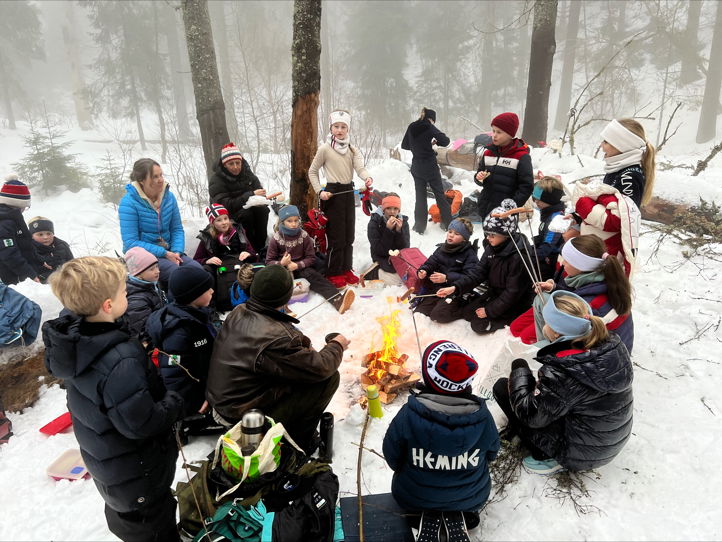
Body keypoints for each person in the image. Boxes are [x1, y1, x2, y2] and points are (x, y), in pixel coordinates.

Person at [43, 257, 183, 542]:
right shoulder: (119, 359)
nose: (127, 295)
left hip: (112, 469)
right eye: (124, 292)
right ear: (108, 305)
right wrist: (173, 403)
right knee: (155, 526)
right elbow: (140, 423)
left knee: (131, 520)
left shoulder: (76, 343)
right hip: (139, 471)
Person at [206, 264, 349, 453]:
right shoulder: (277, 339)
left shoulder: (239, 310)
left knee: (301, 372)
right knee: (328, 378)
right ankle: (297, 441)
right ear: (286, 296)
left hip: (224, 402)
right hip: (242, 417)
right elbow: (321, 367)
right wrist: (337, 344)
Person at [493, 290, 633, 475]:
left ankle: (548, 457)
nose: (543, 326)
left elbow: (532, 416)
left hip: (578, 453)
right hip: (605, 442)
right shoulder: (609, 344)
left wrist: (520, 371)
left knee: (503, 388)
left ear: (556, 332)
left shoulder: (564, 371)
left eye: (547, 322)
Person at [383, 340, 499, 541]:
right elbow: (491, 454)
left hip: (414, 496)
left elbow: (392, 456)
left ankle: (418, 512)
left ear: (428, 379)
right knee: (468, 492)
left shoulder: (408, 415)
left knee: (410, 489)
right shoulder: (483, 418)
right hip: (471, 496)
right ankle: (465, 510)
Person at [510, 234, 634, 352]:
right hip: (587, 332)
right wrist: (554, 288)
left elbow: (578, 342)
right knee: (517, 328)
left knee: (527, 339)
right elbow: (579, 294)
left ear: (581, 265)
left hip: (597, 355)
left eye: (567, 260)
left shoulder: (591, 306)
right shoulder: (601, 277)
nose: (563, 263)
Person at [437, 199, 535, 335]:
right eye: (487, 234)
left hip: (516, 301)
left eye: (492, 235)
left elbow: (513, 293)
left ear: (506, 235)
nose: (488, 238)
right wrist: (456, 287)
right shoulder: (493, 247)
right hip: (496, 293)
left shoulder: (519, 256)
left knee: (478, 325)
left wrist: (489, 310)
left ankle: (506, 320)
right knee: (468, 313)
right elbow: (478, 273)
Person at [146, 266, 218, 438]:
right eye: (207, 289)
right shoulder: (178, 332)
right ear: (193, 295)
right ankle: (191, 422)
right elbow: (175, 376)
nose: (213, 291)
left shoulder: (197, 314)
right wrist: (193, 404)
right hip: (196, 399)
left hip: (208, 382)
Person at [309, 109, 374, 287]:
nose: (339, 130)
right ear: (331, 128)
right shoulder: (325, 149)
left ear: (348, 129)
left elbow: (360, 168)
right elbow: (312, 172)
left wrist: (366, 177)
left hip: (347, 192)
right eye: (336, 126)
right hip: (331, 193)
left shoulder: (353, 150)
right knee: (336, 236)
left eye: (343, 127)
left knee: (348, 234)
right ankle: (333, 271)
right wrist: (319, 192)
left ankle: (346, 268)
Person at [118, 158, 203, 288]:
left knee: (198, 270)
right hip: (144, 257)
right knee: (178, 275)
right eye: (155, 177)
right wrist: (164, 253)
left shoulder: (169, 197)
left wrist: (176, 251)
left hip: (170, 251)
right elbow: (130, 243)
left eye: (161, 175)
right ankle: (174, 308)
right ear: (141, 180)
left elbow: (176, 229)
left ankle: (202, 307)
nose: (161, 180)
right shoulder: (129, 203)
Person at [266, 205, 355, 314]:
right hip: (283, 269)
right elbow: (269, 262)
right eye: (289, 221)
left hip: (301, 267)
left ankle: (337, 300)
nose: (293, 224)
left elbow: (311, 258)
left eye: (296, 220)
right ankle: (282, 309)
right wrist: (281, 263)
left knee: (314, 276)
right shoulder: (276, 239)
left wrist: (297, 265)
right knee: (277, 281)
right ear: (282, 222)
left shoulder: (304, 236)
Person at [208, 143, 270, 253]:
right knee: (246, 215)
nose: (236, 167)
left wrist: (261, 198)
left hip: (248, 207)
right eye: (231, 164)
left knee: (263, 210)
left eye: (238, 162)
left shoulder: (248, 174)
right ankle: (249, 248)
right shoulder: (216, 180)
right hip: (227, 214)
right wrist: (250, 195)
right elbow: (224, 205)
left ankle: (261, 247)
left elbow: (258, 191)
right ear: (225, 165)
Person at [414, 218, 478, 323]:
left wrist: (447, 278)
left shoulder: (470, 255)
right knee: (420, 312)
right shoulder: (442, 249)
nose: (451, 235)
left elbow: (470, 278)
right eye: (450, 231)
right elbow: (430, 263)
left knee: (438, 315)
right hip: (438, 290)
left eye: (457, 234)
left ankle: (465, 307)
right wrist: (423, 270)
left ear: (464, 239)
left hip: (456, 292)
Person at [193, 203, 256, 311]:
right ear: (212, 222)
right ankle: (212, 308)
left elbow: (254, 254)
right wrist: (207, 260)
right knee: (205, 271)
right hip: (219, 273)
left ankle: (254, 300)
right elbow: (196, 260)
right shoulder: (207, 237)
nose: (224, 223)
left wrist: (248, 254)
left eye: (225, 218)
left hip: (239, 269)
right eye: (219, 220)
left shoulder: (239, 232)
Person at [401, 107, 452, 233]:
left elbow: (405, 145)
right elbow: (446, 141)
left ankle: (419, 227)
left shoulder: (412, 126)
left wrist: (419, 145)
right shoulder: (429, 126)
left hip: (416, 166)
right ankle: (448, 225)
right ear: (431, 119)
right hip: (430, 166)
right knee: (440, 195)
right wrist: (432, 143)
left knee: (420, 197)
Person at [474, 112, 533, 220]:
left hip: (506, 214)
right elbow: (479, 174)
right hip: (486, 209)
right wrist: (479, 177)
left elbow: (526, 186)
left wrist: (510, 208)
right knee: (488, 237)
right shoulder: (488, 153)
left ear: (510, 134)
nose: (494, 135)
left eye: (499, 132)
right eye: (493, 131)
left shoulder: (521, 156)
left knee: (504, 237)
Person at [599, 118, 656, 209]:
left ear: (622, 146)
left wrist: (584, 205)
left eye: (606, 142)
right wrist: (578, 216)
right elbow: (603, 206)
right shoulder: (617, 169)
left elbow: (621, 219)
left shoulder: (629, 177)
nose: (601, 145)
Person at [0, 175, 40, 285]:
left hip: (15, 274)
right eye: (25, 206)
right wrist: (29, 273)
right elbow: (9, 254)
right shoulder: (5, 223)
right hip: (9, 277)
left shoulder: (11, 218)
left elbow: (24, 242)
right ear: (17, 204)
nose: (24, 210)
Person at [124, 247, 167, 345]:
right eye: (152, 269)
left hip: (160, 328)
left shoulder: (151, 283)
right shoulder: (136, 300)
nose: (157, 271)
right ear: (138, 274)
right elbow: (143, 330)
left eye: (157, 266)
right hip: (153, 342)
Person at [367, 193, 410, 285]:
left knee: (412, 274)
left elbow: (405, 249)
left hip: (398, 258)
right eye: (388, 208)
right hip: (382, 258)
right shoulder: (374, 223)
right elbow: (379, 251)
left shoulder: (403, 222)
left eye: (395, 209)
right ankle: (373, 273)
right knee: (395, 282)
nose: (392, 212)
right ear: (383, 209)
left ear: (399, 210)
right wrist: (388, 230)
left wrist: (399, 232)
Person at [530, 177, 566, 280]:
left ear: (551, 200)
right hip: (544, 256)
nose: (536, 202)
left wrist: (530, 257)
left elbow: (548, 245)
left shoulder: (557, 219)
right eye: (535, 199)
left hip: (550, 262)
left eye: (539, 200)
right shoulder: (547, 213)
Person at [28, 216, 74, 283]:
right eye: (40, 234)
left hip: (64, 283)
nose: (45, 237)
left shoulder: (62, 246)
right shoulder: (28, 250)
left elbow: (72, 265)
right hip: (40, 287)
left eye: (49, 233)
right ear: (32, 236)